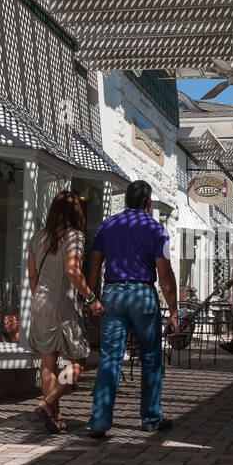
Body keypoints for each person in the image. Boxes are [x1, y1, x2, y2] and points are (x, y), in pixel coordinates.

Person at [85, 180, 179, 437]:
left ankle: (100, 421)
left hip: (113, 293)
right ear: (148, 204)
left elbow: (94, 265)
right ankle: (150, 417)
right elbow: (165, 272)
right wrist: (173, 311)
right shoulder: (156, 230)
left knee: (109, 359)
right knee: (150, 358)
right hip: (143, 294)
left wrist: (91, 300)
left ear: (125, 201)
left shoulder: (107, 225)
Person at [27, 192, 104, 433]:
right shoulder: (75, 236)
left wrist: (40, 298)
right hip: (63, 302)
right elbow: (72, 270)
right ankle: (49, 402)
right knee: (78, 362)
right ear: (75, 214)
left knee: (48, 361)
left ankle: (54, 414)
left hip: (39, 301)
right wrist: (91, 299)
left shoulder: (37, 238)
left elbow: (32, 277)